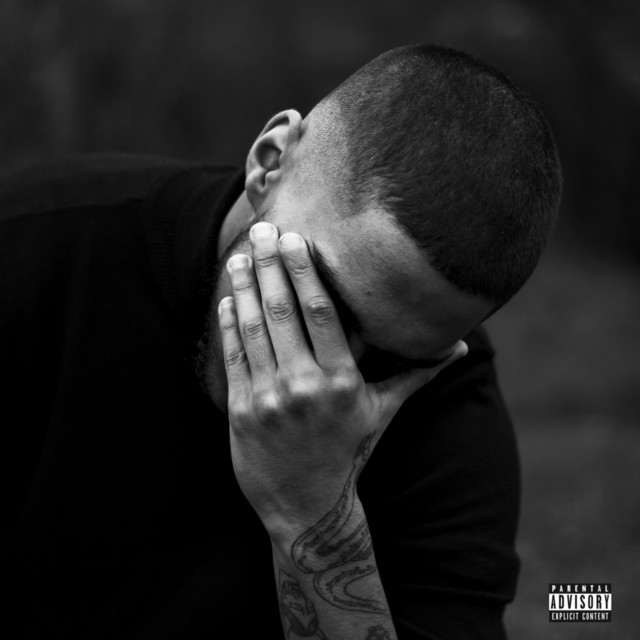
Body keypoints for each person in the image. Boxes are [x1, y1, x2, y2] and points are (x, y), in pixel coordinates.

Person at [0, 44, 561, 639]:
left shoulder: (450, 407)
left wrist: (312, 513)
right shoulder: (31, 249)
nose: (326, 381)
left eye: (391, 360)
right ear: (269, 163)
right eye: (320, 299)